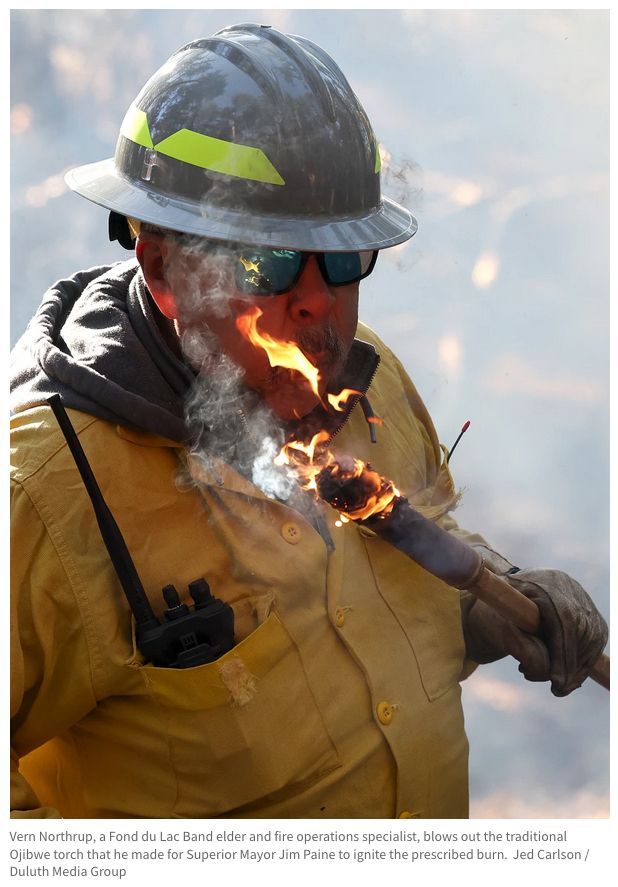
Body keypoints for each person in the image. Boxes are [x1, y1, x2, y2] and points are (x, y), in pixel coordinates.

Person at [10, 23, 607, 820]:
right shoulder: (48, 500)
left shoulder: (374, 383)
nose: (319, 299)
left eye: (342, 257)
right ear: (160, 264)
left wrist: (497, 603)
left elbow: (408, 577)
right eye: (267, 261)